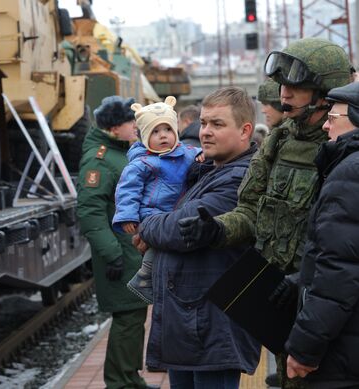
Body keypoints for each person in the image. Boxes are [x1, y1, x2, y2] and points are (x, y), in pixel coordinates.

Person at [178, 38, 354, 389]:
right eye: (283, 85)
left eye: (295, 87)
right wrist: (216, 229)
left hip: (327, 305)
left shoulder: (343, 150)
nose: (283, 93)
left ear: (324, 92)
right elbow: (251, 211)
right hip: (281, 301)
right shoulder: (278, 141)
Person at [136, 87, 261, 388]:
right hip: (192, 323)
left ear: (245, 131)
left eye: (217, 124)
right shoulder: (210, 172)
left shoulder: (239, 178)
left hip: (212, 326)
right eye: (204, 123)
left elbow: (181, 228)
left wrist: (146, 225)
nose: (205, 132)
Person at [76, 96, 156, 389]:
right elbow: (89, 212)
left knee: (133, 318)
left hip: (129, 252)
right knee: (127, 318)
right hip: (120, 256)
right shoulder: (99, 160)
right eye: (130, 123)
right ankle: (120, 382)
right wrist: (113, 255)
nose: (136, 127)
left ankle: (130, 378)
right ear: (113, 128)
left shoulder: (118, 154)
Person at [284, 81, 359, 388]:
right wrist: (299, 280)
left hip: (343, 353)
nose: (327, 126)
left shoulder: (349, 174)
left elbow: (339, 272)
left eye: (333, 117)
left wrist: (305, 349)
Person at [112, 96, 201, 304]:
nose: (163, 136)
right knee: (157, 245)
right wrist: (127, 216)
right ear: (144, 137)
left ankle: (160, 279)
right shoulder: (142, 163)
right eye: (155, 132)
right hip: (152, 212)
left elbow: (202, 153)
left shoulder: (187, 153)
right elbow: (127, 191)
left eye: (168, 130)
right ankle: (144, 277)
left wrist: (204, 156)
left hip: (176, 211)